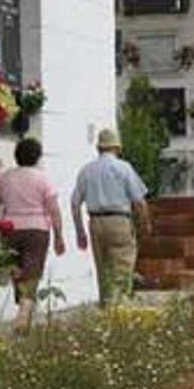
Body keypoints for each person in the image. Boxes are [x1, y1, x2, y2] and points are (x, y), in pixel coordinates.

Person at [72, 128, 152, 306]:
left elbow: (75, 203)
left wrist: (80, 232)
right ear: (117, 148)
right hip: (119, 221)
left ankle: (106, 306)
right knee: (122, 270)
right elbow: (139, 201)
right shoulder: (123, 168)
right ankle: (117, 310)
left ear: (98, 148)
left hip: (95, 223)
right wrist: (144, 223)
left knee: (103, 271)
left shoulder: (86, 170)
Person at [0, 137, 66, 332]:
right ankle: (24, 314)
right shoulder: (42, 178)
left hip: (11, 228)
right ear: (37, 157)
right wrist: (59, 235)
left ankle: (25, 312)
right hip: (37, 229)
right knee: (33, 270)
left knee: (17, 270)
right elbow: (54, 209)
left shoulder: (6, 177)